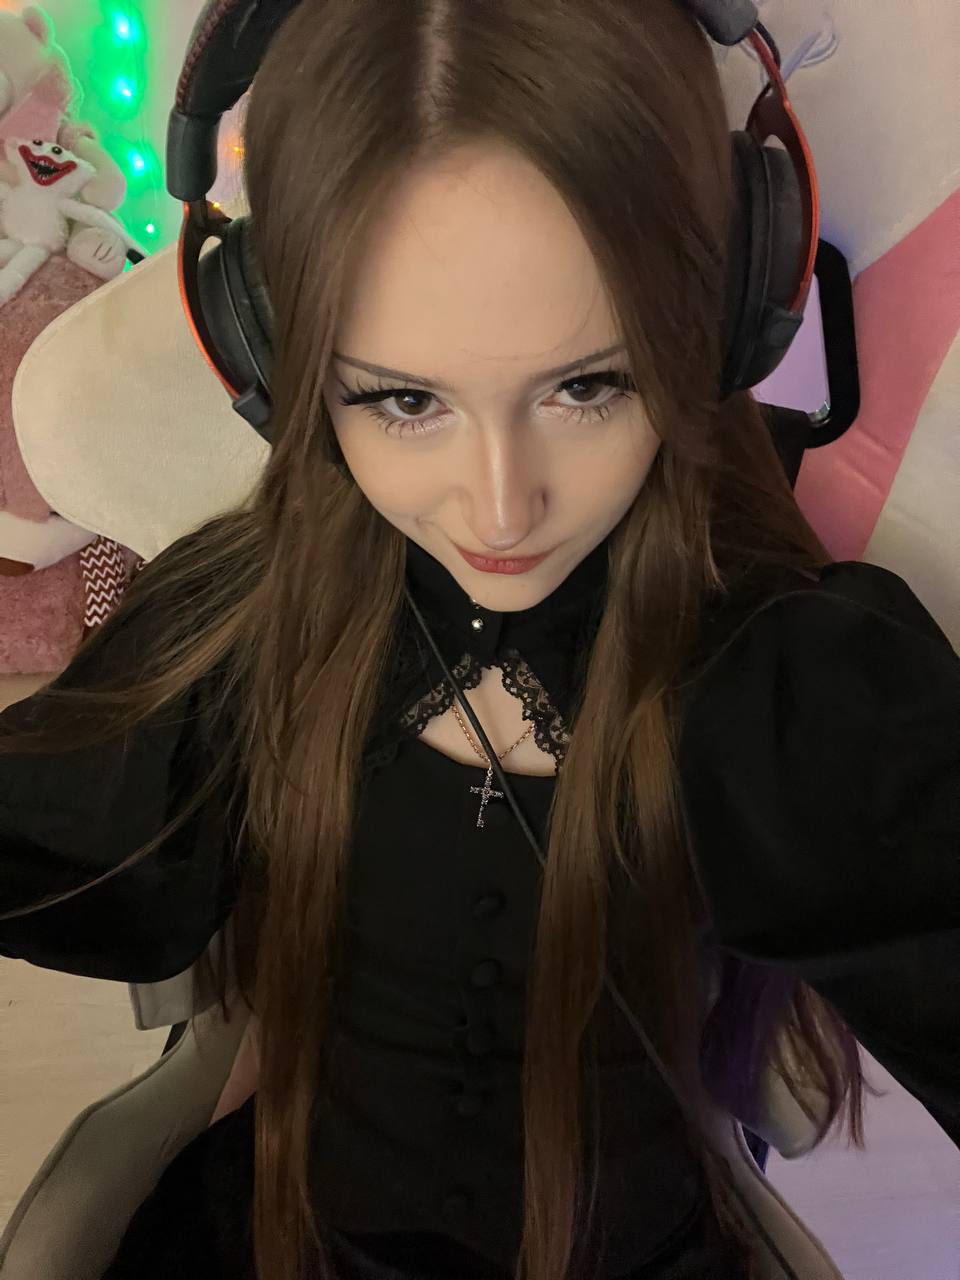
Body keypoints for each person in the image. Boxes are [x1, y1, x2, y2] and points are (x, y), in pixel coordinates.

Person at [1, 1, 958, 1278]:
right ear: (272, 356)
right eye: (405, 399)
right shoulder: (250, 620)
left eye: (588, 384)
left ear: (716, 321)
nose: (502, 509)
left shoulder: (788, 681)